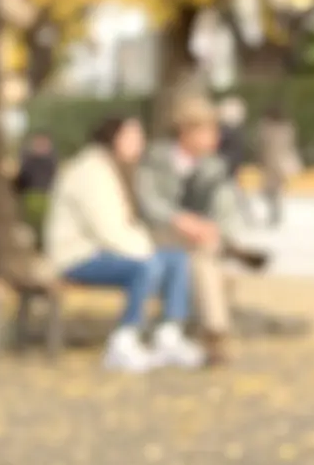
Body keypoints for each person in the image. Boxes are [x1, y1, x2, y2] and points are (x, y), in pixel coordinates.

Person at [43, 115, 204, 372]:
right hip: (78, 257)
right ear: (114, 138)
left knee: (176, 260)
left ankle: (169, 335)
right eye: (133, 137)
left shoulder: (116, 168)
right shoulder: (91, 171)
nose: (140, 143)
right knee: (147, 266)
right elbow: (109, 230)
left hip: (105, 251)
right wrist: (148, 250)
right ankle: (124, 339)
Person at [133, 94, 268, 367]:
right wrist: (180, 220)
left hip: (198, 242)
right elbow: (148, 201)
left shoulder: (213, 167)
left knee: (204, 257)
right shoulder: (157, 159)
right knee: (208, 261)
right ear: (186, 131)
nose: (214, 138)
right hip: (160, 234)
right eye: (208, 130)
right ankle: (214, 333)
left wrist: (214, 229)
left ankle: (212, 332)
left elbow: (225, 208)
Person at [257, 105, 301, 226]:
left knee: (270, 192)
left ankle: (274, 216)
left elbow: (263, 146)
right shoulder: (287, 128)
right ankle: (275, 216)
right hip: (281, 163)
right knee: (274, 192)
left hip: (273, 163)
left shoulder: (267, 129)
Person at [217, 95, 255, 223]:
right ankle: (247, 217)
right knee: (236, 193)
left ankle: (246, 217)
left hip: (227, 167)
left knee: (233, 193)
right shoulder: (238, 130)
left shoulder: (227, 131)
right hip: (231, 166)